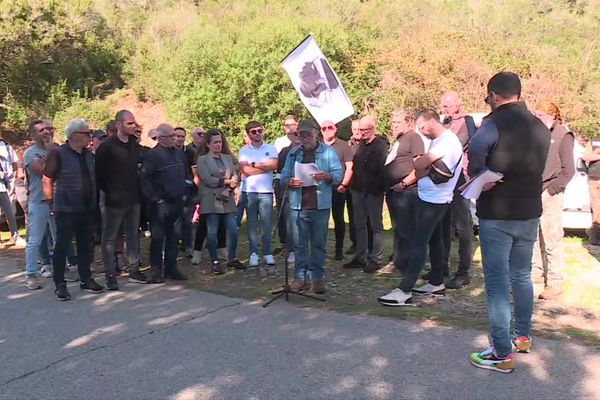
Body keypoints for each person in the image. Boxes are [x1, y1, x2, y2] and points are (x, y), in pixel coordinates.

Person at [467, 72, 550, 373]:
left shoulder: (493, 123)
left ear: (494, 95)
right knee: (522, 276)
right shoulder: (540, 125)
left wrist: (479, 174)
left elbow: (477, 147)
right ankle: (523, 336)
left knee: (498, 282)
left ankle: (502, 353)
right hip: (529, 211)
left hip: (498, 213)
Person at [378, 109, 463, 306]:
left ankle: (405, 290)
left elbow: (420, 164)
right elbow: (421, 167)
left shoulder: (447, 141)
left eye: (422, 126)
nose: (421, 131)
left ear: (432, 122)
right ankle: (436, 282)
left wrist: (421, 162)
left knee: (418, 242)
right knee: (435, 241)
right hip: (430, 196)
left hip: (435, 199)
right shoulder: (437, 141)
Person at [42, 119, 104, 301]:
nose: (90, 137)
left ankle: (86, 279)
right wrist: (51, 204)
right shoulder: (58, 154)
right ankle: (60, 284)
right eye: (87, 133)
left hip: (87, 208)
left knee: (86, 245)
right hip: (66, 209)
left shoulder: (88, 154)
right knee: (62, 246)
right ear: (75, 135)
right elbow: (47, 179)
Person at [281, 119, 342, 294]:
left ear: (316, 133)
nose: (305, 137)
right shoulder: (293, 154)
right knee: (299, 243)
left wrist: (327, 176)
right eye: (302, 134)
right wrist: (290, 181)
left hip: (319, 204)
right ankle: (300, 278)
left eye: (308, 134)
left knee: (318, 243)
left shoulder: (328, 152)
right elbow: (283, 176)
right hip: (297, 204)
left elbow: (338, 175)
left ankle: (317, 278)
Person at [95, 110, 145, 290]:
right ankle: (110, 274)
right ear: (119, 125)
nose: (133, 126)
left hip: (133, 198)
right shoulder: (107, 146)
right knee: (109, 238)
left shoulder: (134, 145)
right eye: (129, 123)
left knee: (133, 235)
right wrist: (109, 192)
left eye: (134, 123)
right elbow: (98, 175)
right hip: (113, 200)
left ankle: (134, 268)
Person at [532, 101, 575, 300]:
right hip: (533, 190)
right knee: (533, 236)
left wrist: (551, 190)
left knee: (552, 238)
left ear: (551, 115)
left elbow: (569, 170)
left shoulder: (563, 134)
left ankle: (555, 281)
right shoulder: (536, 133)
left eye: (540, 115)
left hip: (550, 193)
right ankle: (536, 273)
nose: (537, 119)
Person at [140, 124, 188, 283]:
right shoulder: (153, 156)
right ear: (160, 138)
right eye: (171, 136)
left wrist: (185, 193)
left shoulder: (180, 154)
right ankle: (156, 270)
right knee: (158, 237)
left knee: (174, 236)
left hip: (177, 201)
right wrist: (156, 198)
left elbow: (185, 175)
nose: (175, 138)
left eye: (175, 135)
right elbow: (145, 180)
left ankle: (171, 267)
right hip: (160, 204)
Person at [438, 91, 476, 289]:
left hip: (461, 179)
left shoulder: (467, 122)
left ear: (457, 104)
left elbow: (453, 145)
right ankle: (441, 266)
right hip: (444, 179)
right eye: (443, 105)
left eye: (447, 105)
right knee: (444, 224)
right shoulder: (444, 122)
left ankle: (464, 271)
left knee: (463, 226)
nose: (444, 109)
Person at [343, 116, 388, 272]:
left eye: (365, 130)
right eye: (360, 130)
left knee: (376, 225)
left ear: (373, 128)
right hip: (358, 190)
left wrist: (377, 189)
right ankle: (360, 256)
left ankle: (375, 258)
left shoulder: (380, 145)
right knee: (359, 224)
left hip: (373, 191)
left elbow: (382, 169)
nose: (362, 133)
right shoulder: (360, 145)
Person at [382, 109, 424, 275]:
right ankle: (397, 261)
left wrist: (404, 183)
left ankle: (406, 266)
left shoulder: (414, 138)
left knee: (406, 230)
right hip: (393, 190)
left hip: (406, 191)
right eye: (393, 122)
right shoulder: (400, 139)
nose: (394, 125)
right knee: (398, 228)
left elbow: (419, 165)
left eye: (398, 122)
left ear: (409, 122)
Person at [197, 129, 245, 273]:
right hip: (210, 199)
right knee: (212, 232)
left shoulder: (227, 158)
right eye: (215, 142)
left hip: (226, 198)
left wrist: (228, 188)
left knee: (233, 230)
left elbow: (236, 177)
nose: (218, 145)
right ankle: (215, 261)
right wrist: (226, 182)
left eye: (220, 142)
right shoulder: (203, 159)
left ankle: (231, 258)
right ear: (208, 144)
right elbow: (207, 179)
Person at [238, 121, 278, 272]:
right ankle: (254, 253)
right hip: (250, 191)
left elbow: (274, 166)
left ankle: (267, 252)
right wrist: (263, 166)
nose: (257, 133)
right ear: (248, 134)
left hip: (266, 191)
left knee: (267, 224)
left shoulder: (271, 148)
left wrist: (253, 164)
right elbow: (245, 170)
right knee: (252, 224)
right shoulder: (244, 150)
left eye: (259, 130)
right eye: (253, 132)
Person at [23, 120, 55, 290]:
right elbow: (45, 172)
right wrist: (51, 154)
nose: (48, 132)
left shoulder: (57, 148)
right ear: (34, 135)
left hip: (58, 200)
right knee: (35, 239)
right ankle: (31, 274)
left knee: (59, 238)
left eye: (50, 128)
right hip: (39, 200)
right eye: (43, 129)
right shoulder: (30, 153)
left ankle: (60, 270)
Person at [320, 120, 353, 260]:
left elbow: (350, 167)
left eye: (330, 127)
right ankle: (320, 249)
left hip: (337, 187)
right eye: (324, 128)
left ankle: (339, 249)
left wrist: (344, 185)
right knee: (321, 220)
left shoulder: (344, 145)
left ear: (335, 129)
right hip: (320, 188)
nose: (327, 130)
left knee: (338, 218)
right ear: (321, 130)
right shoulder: (317, 146)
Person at [273, 115, 299, 254]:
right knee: (285, 215)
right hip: (285, 183)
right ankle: (287, 245)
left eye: (292, 125)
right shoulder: (282, 146)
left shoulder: (305, 144)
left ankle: (298, 246)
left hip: (302, 185)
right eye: (287, 125)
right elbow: (277, 166)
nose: (290, 128)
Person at [276, 129, 302, 264]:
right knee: (291, 223)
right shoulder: (285, 151)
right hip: (289, 191)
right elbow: (280, 173)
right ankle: (291, 250)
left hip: (307, 192)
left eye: (299, 134)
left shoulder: (308, 150)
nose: (296, 137)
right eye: (293, 135)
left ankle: (303, 250)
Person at [0, 130, 25, 247]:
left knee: (10, 210)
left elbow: (15, 162)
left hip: (7, 182)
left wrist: (17, 174)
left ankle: (15, 235)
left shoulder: (5, 146)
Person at [582, 130, 600, 245]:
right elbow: (585, 156)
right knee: (596, 208)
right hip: (595, 178)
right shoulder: (594, 142)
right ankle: (596, 237)